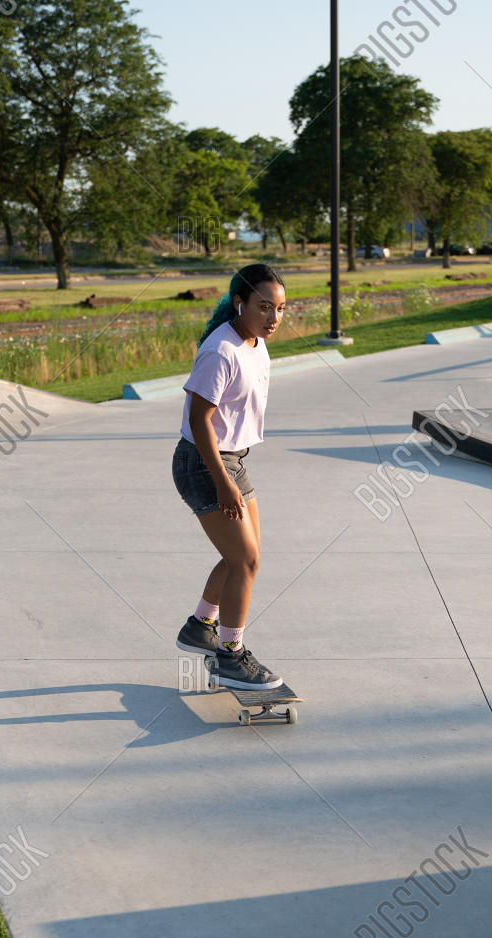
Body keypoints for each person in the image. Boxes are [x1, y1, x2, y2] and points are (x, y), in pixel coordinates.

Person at [171, 263, 286, 689]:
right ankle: (229, 655)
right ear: (240, 303)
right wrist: (222, 481)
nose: (273, 318)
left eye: (279, 309)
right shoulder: (221, 350)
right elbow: (199, 419)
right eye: (264, 307)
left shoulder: (253, 342)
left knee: (246, 557)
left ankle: (201, 625)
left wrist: (229, 472)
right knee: (245, 559)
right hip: (206, 463)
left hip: (231, 459)